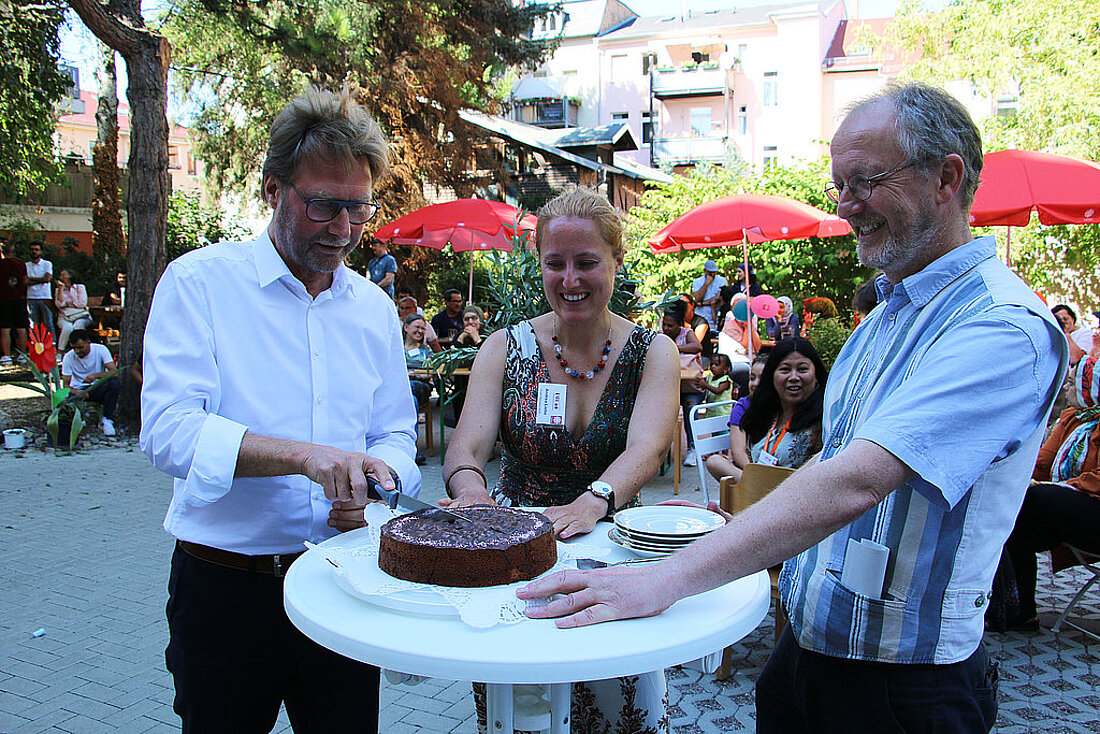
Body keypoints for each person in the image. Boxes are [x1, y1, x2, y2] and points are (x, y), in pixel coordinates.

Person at [518, 82, 1068, 733]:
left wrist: (666, 579)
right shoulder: (886, 315)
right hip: (807, 654)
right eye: (839, 185)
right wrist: (728, 523)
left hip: (903, 687)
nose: (845, 205)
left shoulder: (1003, 327)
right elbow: (830, 464)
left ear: (945, 178)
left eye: (864, 181)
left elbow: (859, 480)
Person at [140, 86, 419, 733]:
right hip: (224, 591)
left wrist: (375, 481)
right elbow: (169, 432)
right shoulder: (198, 284)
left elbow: (396, 432)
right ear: (272, 189)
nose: (344, 230)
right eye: (323, 205)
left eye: (358, 208)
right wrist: (305, 457)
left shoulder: (374, 310)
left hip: (342, 577)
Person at [442, 186, 680, 732]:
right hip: (516, 551)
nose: (570, 280)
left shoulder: (652, 351)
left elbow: (649, 447)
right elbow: (468, 446)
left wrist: (595, 499)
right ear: (540, 265)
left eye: (586, 263)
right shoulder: (503, 347)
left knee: (617, 698)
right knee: (522, 704)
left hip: (616, 548)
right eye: (555, 264)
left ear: (617, 260)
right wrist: (472, 493)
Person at [1004, 353, 1100, 631]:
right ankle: (1019, 610)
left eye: (1072, 384)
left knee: (1034, 500)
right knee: (1010, 509)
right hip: (1065, 506)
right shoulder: (1072, 418)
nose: (1066, 389)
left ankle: (1018, 609)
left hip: (1092, 510)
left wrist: (1058, 488)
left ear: (1091, 388)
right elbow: (1042, 463)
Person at [705, 352, 768, 482]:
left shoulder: (783, 406)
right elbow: (738, 452)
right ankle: (755, 485)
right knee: (715, 461)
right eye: (752, 378)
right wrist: (756, 474)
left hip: (775, 471)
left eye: (762, 379)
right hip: (748, 471)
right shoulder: (743, 407)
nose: (755, 384)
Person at [662, 304, 705, 467]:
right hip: (669, 385)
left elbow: (697, 347)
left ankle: (694, 449)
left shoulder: (687, 334)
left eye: (670, 325)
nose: (666, 328)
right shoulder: (661, 336)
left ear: (679, 324)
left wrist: (674, 348)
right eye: (664, 324)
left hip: (689, 386)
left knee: (690, 409)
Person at [60, 329, 119, 436]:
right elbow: (65, 385)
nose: (77, 351)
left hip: (97, 387)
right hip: (79, 390)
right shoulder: (68, 357)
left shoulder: (100, 349)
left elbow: (114, 372)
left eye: (80, 347)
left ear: (88, 342)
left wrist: (95, 375)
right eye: (74, 348)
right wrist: (76, 391)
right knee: (69, 402)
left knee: (114, 384)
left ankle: (107, 419)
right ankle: (80, 418)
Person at [402, 312, 434, 466]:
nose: (420, 331)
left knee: (410, 390)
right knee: (410, 399)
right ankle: (411, 450)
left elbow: (431, 371)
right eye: (417, 327)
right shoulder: (396, 347)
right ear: (406, 327)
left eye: (423, 328)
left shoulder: (425, 350)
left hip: (420, 386)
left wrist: (413, 375)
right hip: (403, 390)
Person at [716, 293, 760, 396]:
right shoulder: (730, 326)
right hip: (736, 361)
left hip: (751, 360)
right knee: (745, 372)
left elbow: (758, 347)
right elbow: (743, 347)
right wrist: (746, 328)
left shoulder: (750, 324)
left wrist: (751, 327)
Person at [0, 239, 28, 365]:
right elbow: (25, 280)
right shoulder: (21, 264)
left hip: (4, 299)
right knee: (21, 327)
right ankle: (22, 354)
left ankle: (7, 356)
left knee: (5, 328)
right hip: (19, 298)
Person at [54, 268, 92, 352]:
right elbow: (59, 305)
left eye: (63, 275)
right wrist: (61, 289)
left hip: (81, 315)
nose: (61, 277)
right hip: (64, 316)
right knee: (67, 328)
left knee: (78, 326)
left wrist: (67, 304)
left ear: (70, 276)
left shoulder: (80, 287)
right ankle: (60, 351)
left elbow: (82, 303)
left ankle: (81, 349)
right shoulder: (59, 290)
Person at [25, 241, 54, 341]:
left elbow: (47, 278)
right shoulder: (26, 265)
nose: (34, 252)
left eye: (36, 250)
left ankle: (52, 344)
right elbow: (25, 282)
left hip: (45, 297)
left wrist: (31, 279)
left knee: (48, 323)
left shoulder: (47, 264)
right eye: (32, 249)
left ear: (40, 251)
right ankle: (35, 346)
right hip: (31, 297)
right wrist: (40, 280)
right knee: (34, 324)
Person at [691, 259, 727, 329]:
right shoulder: (697, 281)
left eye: (714, 272)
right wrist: (706, 284)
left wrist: (702, 303)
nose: (712, 275)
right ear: (705, 271)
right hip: (701, 314)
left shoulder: (722, 280)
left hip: (715, 314)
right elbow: (697, 298)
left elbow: (718, 297)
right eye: (710, 272)